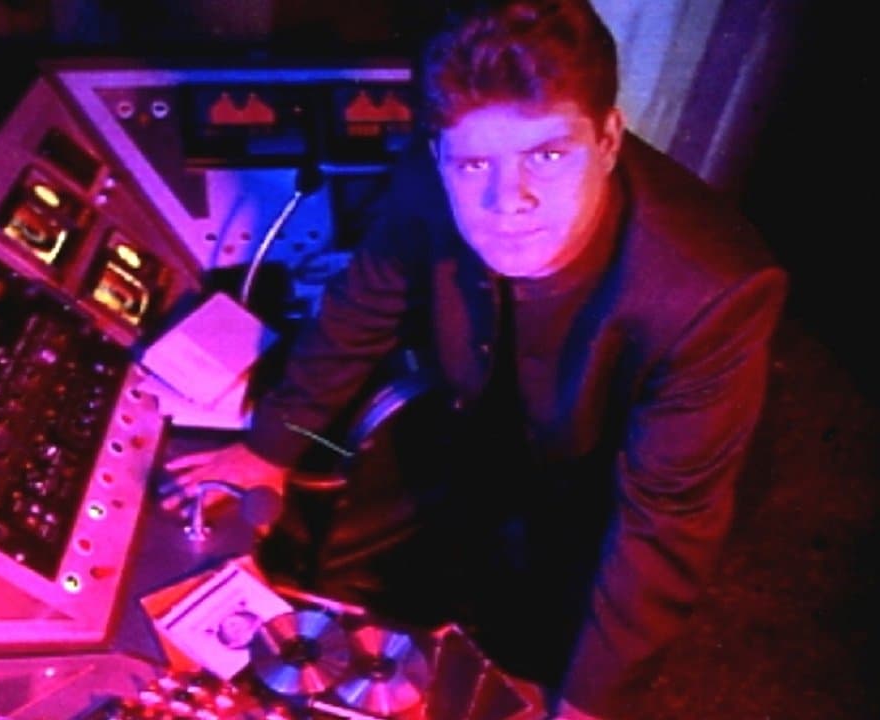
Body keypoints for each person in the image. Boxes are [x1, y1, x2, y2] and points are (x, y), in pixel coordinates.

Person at [160, 1, 789, 717]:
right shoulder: (428, 179)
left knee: (550, 634)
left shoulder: (714, 295)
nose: (507, 200)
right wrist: (269, 447)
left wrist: (586, 705)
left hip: (631, 476)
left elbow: (661, 528)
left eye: (547, 155)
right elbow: (364, 306)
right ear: (440, 156)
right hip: (496, 417)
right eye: (476, 163)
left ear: (609, 138)